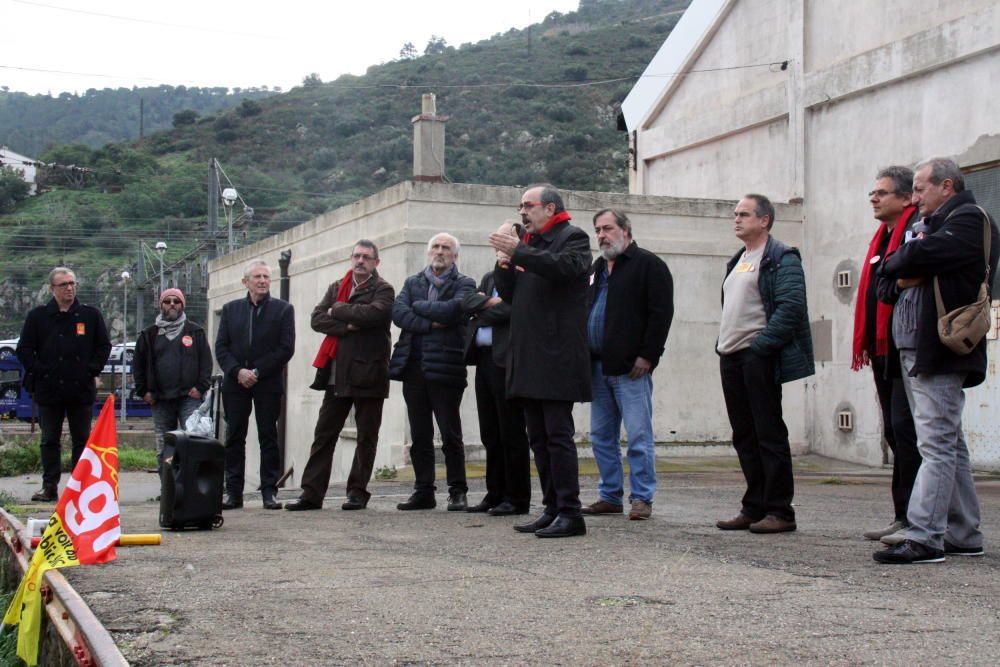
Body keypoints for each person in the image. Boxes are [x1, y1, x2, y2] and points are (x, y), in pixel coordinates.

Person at [873, 157, 999, 564]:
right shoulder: (928, 226)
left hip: (940, 348)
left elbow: (910, 259)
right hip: (916, 347)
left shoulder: (968, 218)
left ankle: (926, 536)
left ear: (947, 186)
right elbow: (887, 279)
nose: (915, 198)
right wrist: (906, 262)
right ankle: (964, 533)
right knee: (950, 443)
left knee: (936, 444)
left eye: (921, 189)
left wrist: (908, 261)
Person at [489, 183, 592, 538]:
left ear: (549, 208)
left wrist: (519, 251)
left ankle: (570, 511)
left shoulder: (573, 238)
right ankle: (551, 508)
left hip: (556, 355)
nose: (522, 212)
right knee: (538, 437)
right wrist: (504, 263)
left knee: (557, 435)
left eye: (528, 205)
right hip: (529, 356)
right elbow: (510, 295)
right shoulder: (529, 248)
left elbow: (564, 269)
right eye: (519, 206)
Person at [715, 194, 814, 534]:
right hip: (730, 356)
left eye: (744, 214)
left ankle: (780, 510)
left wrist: (760, 348)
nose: (737, 219)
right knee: (744, 434)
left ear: (764, 220)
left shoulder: (780, 258)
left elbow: (790, 309)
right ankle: (754, 506)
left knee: (768, 433)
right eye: (735, 214)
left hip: (756, 356)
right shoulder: (739, 259)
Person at [285, 241, 394, 512]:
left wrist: (338, 310)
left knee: (366, 437)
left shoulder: (384, 289)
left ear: (375, 263)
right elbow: (317, 318)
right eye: (356, 256)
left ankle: (357, 493)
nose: (360, 261)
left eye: (366, 258)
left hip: (370, 374)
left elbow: (374, 315)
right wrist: (347, 324)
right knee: (324, 435)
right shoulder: (337, 286)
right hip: (337, 374)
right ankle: (311, 494)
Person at [582, 209, 673, 521]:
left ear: (625, 230)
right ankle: (609, 496)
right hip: (597, 367)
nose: (602, 235)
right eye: (598, 230)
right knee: (601, 436)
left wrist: (648, 355)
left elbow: (661, 314)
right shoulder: (596, 268)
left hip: (631, 369)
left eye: (607, 228)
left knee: (637, 435)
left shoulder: (649, 265)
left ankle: (642, 498)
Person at [850, 167, 921, 542]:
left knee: (908, 432)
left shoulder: (915, 232)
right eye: (872, 193)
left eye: (883, 193)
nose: (874, 198)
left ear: (908, 198)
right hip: (881, 351)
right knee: (894, 432)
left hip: (905, 346)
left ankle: (916, 519)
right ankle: (903, 514)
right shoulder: (881, 238)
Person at [389, 233, 476, 511]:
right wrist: (430, 322)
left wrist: (420, 309)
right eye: (435, 247)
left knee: (450, 434)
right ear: (428, 252)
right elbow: (399, 313)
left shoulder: (465, 284)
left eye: (446, 248)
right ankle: (423, 490)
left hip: (447, 368)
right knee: (420, 435)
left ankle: (458, 491)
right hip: (413, 368)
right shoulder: (412, 282)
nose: (440, 251)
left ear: (455, 255)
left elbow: (454, 310)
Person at [17, 267, 111, 501]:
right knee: (50, 439)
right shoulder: (38, 316)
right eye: (64, 284)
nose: (69, 288)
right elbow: (24, 349)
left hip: (80, 388)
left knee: (82, 439)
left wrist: (90, 370)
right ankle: (49, 486)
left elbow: (103, 346)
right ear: (53, 289)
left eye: (72, 283)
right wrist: (41, 370)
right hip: (49, 389)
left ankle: (79, 489)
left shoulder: (90, 315)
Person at [462, 221, 531, 516]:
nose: (501, 240)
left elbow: (513, 308)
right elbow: (467, 301)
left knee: (511, 432)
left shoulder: (523, 273)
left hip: (508, 361)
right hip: (485, 360)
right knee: (490, 432)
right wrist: (488, 303)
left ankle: (516, 498)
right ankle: (494, 493)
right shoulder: (490, 275)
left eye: (508, 236)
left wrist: (484, 308)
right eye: (498, 236)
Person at [215, 259, 295, 510]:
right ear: (245, 282)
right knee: (235, 437)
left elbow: (285, 348)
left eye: (266, 277)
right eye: (257, 277)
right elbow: (221, 347)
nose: (262, 281)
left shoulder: (283, 310)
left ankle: (269, 492)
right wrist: (238, 371)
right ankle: (233, 492)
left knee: (268, 436)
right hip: (235, 383)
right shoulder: (230, 310)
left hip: (267, 382)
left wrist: (257, 371)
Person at [133, 288, 213, 469]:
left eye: (176, 301)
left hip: (189, 398)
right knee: (166, 444)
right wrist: (143, 391)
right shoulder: (149, 335)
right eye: (167, 301)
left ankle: (190, 487)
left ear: (182, 305)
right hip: (160, 399)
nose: (171, 304)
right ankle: (168, 488)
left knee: (193, 439)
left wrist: (200, 387)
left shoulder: (196, 332)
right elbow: (138, 365)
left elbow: (206, 363)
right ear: (160, 305)